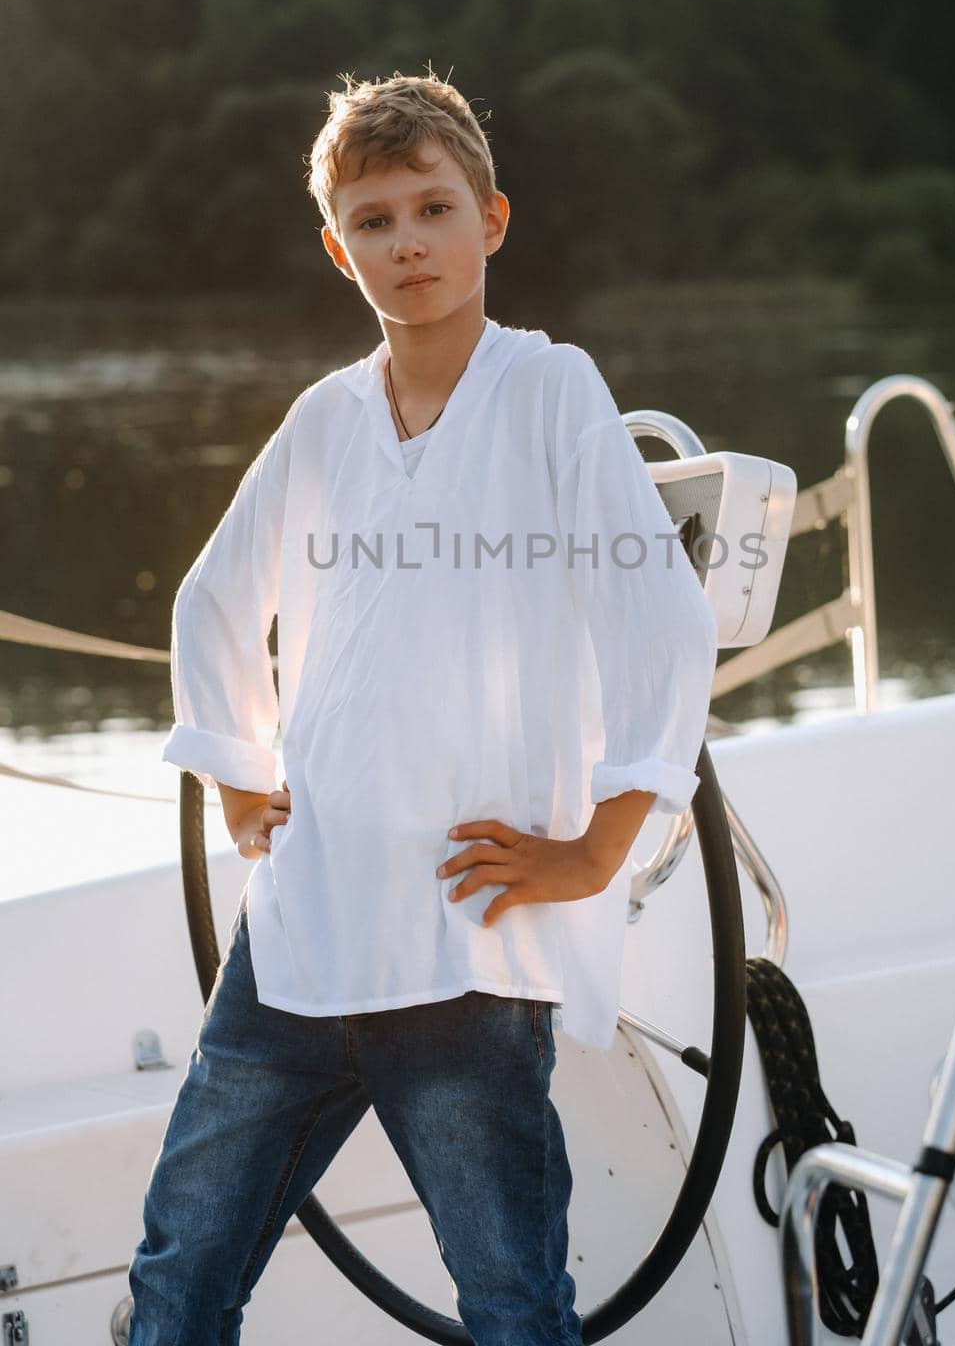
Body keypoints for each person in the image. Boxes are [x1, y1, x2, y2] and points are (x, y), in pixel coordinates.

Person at [128, 69, 718, 1345]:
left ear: (489, 220)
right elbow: (211, 599)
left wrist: (601, 846)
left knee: (511, 1300)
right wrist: (236, 773)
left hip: (465, 935)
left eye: (432, 208)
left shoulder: (550, 391)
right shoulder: (322, 419)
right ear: (339, 248)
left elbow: (661, 618)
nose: (409, 243)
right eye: (377, 219)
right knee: (178, 1276)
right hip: (301, 932)